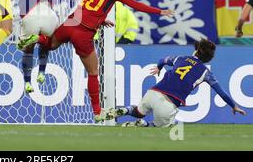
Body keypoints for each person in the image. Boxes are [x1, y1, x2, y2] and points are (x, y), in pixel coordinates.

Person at [18, 0, 174, 122]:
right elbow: (135, 5)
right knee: (93, 73)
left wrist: (101, 19)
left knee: (49, 45)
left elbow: (90, 7)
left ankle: (37, 38)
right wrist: (159, 11)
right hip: (84, 33)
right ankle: (97, 111)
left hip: (70, 23)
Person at [103, 39, 246, 127]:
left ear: (196, 50)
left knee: (138, 111)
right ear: (208, 58)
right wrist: (233, 106)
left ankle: (124, 110)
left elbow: (163, 60)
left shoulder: (180, 58)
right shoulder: (206, 73)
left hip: (153, 93)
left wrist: (159, 68)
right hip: (168, 104)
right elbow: (221, 93)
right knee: (161, 126)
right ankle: (143, 125)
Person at [8, 0, 83, 93]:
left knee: (27, 50)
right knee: (48, 43)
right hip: (49, 15)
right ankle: (42, 72)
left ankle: (28, 82)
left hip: (30, 16)